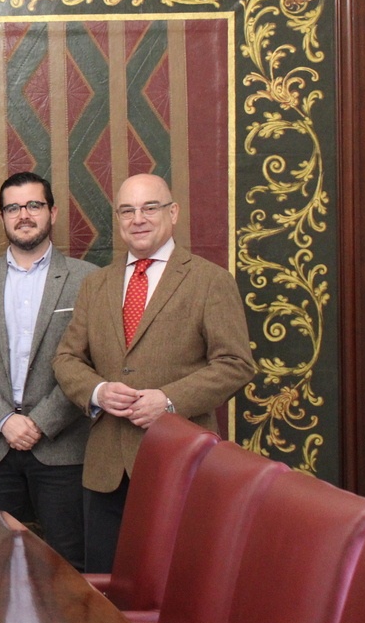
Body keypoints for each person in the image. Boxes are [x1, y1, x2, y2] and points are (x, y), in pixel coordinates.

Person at [53, 173, 255, 573]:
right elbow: (66, 358)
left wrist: (169, 401)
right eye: (127, 210)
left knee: (178, 584)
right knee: (107, 589)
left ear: (173, 213)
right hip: (107, 469)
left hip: (180, 461)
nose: (138, 219)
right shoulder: (96, 284)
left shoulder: (209, 280)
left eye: (150, 208)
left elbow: (236, 363)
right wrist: (98, 391)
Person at [0, 171, 97, 569]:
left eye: (33, 205)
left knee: (69, 565)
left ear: (53, 212)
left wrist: (41, 421)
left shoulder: (87, 280)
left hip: (62, 444)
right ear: (2, 217)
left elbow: (91, 362)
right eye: (13, 208)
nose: (23, 215)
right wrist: (4, 419)